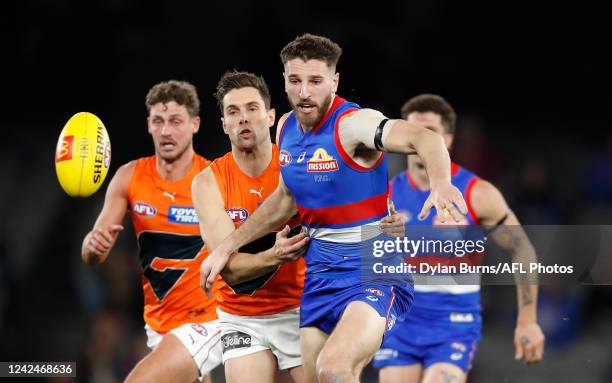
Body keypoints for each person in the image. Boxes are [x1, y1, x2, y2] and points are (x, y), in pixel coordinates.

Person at [200, 34, 469, 383]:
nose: (304, 92)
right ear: (284, 82)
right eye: (295, 81)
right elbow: (285, 199)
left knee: (335, 368)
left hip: (373, 272)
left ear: (334, 81)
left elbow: (425, 139)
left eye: (315, 81)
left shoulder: (353, 125)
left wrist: (441, 183)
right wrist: (226, 246)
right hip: (321, 276)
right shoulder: (286, 129)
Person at [374, 94, 545, 383]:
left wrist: (527, 321)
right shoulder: (381, 197)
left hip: (452, 326)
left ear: (448, 140)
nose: (420, 142)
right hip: (399, 325)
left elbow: (522, 249)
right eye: (413, 134)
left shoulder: (477, 193)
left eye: (430, 133)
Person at [81, 80, 222, 383]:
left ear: (195, 124)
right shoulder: (129, 177)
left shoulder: (215, 179)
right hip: (159, 323)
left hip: (208, 319)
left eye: (175, 121)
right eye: (158, 121)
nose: (166, 131)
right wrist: (93, 246)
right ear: (149, 124)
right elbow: (92, 252)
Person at [191, 70, 309, 383]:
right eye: (233, 112)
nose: (243, 118)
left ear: (271, 116)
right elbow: (229, 271)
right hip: (241, 316)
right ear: (224, 124)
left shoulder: (296, 167)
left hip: (300, 307)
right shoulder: (207, 183)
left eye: (252, 109)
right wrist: (277, 255)